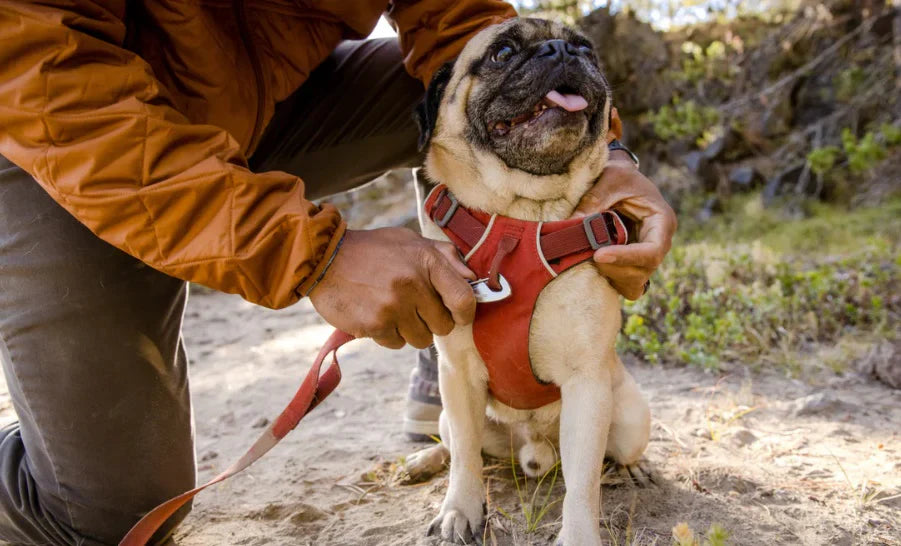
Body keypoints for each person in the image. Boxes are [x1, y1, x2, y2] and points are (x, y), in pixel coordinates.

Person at [0, 1, 676, 544]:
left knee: (462, 98)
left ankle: (463, 330)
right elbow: (44, 74)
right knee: (110, 517)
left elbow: (459, 22)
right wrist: (311, 254)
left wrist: (607, 159)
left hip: (265, 98)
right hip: (64, 134)